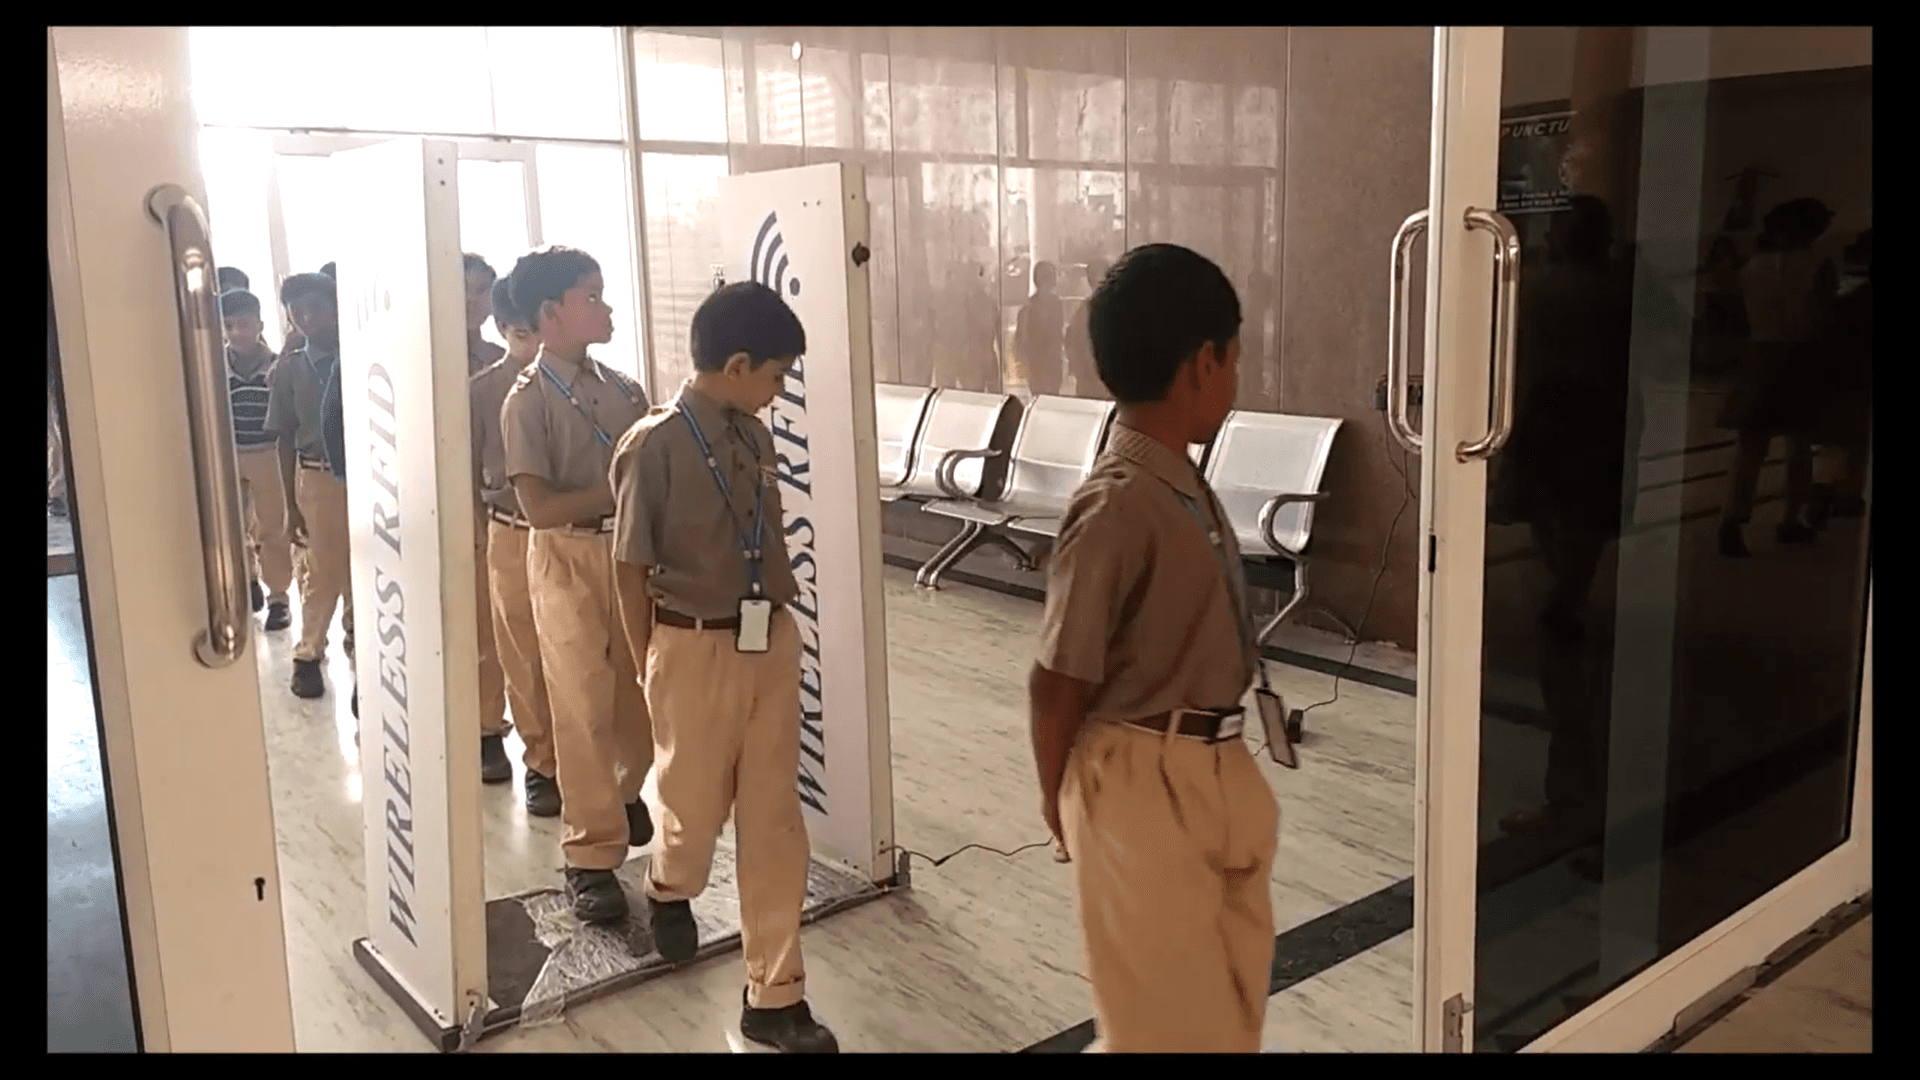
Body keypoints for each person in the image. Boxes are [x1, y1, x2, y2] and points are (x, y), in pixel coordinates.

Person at [1027, 243, 1279, 1053]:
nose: (1235, 379)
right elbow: (1057, 678)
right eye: (1234, 360)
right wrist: (1058, 799)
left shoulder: (1183, 481)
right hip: (1138, 779)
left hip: (1216, 764)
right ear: (1203, 363)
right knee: (1161, 1031)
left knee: (1227, 1012)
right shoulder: (1116, 505)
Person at [611, 281, 839, 1054]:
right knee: (693, 809)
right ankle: (668, 883)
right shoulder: (653, 445)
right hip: (690, 645)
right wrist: (648, 663)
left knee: (775, 818)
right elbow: (628, 567)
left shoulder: (754, 438)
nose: (779, 390)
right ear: (737, 365)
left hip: (769, 641)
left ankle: (775, 995)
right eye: (775, 375)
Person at [499, 247, 654, 923]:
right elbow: (539, 509)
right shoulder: (526, 401)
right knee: (581, 704)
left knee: (640, 692)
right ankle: (588, 856)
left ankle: (624, 791)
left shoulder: (626, 391)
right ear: (550, 313)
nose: (607, 308)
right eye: (591, 297)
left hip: (630, 555)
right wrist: (622, 488)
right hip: (566, 559)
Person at [471, 276, 560, 812]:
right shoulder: (483, 390)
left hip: (569, 532)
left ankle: (590, 764)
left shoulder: (580, 385)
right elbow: (467, 469)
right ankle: (541, 762)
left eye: (540, 331)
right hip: (507, 528)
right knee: (521, 653)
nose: (534, 344)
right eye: (523, 334)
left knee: (581, 652)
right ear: (503, 330)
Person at [1719, 197, 1836, 558]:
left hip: (1759, 356)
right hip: (1802, 357)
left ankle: (1733, 518)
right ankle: (1790, 519)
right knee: (1799, 447)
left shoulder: (1753, 266)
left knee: (1750, 447)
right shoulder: (1820, 265)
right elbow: (1823, 316)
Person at [265, 271, 354, 699]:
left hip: (369, 476)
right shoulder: (289, 369)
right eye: (296, 311)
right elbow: (283, 438)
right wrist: (289, 503)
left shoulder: (360, 358)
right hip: (317, 477)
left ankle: (363, 648)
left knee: (369, 564)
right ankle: (309, 653)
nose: (306, 318)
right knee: (322, 568)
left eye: (316, 308)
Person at [460, 253, 511, 783]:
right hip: (437, 509)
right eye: (464, 290)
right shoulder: (420, 362)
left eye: (482, 292)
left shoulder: (501, 363)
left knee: (491, 626)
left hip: (492, 509)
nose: (473, 302)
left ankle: (488, 726)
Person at [220, 288, 295, 632]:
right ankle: (247, 579)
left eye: (244, 324)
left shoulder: (276, 365)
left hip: (268, 454)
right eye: (229, 325)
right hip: (229, 453)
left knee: (272, 527)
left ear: (259, 325)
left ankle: (278, 596)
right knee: (232, 525)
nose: (236, 332)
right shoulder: (215, 368)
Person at [1014, 260, 1065, 398]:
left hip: (1052, 363)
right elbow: (1021, 339)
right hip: (1037, 365)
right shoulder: (1028, 308)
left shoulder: (1057, 305)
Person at [1064, 259, 1111, 400]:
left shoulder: (1114, 308)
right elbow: (1071, 341)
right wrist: (1079, 369)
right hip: (1089, 379)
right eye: (1092, 276)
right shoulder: (1084, 310)